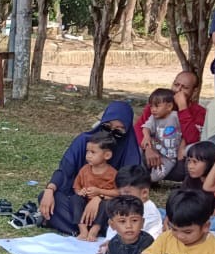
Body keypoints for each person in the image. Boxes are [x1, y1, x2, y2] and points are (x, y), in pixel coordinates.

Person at [39, 101, 143, 236]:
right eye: (107, 127)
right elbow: (65, 170)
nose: (111, 133)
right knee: (47, 198)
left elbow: (129, 191)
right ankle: (85, 228)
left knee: (126, 215)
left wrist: (100, 197)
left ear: (127, 130)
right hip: (78, 202)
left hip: (110, 206)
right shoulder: (85, 142)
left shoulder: (130, 151)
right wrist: (49, 190)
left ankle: (77, 226)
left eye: (118, 130)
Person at [137, 70, 206, 180]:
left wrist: (183, 108)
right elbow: (139, 128)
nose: (178, 90)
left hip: (177, 160)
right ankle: (143, 176)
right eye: (176, 84)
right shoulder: (157, 105)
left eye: (185, 87)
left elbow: (193, 138)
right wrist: (148, 149)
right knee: (135, 149)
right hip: (151, 155)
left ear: (195, 91)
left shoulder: (199, 112)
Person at [74, 131, 120, 242]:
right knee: (75, 199)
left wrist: (99, 193)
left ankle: (95, 230)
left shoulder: (113, 173)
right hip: (85, 207)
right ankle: (83, 229)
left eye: (93, 152)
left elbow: (118, 193)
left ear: (107, 155)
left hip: (102, 208)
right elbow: (76, 187)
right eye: (87, 152)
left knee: (106, 204)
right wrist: (81, 192)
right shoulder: (84, 170)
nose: (88, 155)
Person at [141, 88, 184, 182]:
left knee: (156, 176)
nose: (153, 110)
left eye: (157, 106)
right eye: (151, 106)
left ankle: (148, 181)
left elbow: (187, 130)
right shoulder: (153, 118)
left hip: (169, 157)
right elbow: (146, 127)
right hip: (155, 150)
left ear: (169, 106)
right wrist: (146, 136)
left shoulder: (176, 117)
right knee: (139, 151)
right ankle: (141, 177)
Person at [116, 164, 163, 238]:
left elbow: (149, 238)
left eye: (127, 193)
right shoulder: (122, 205)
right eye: (120, 194)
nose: (122, 197)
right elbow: (114, 227)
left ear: (144, 193)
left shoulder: (151, 213)